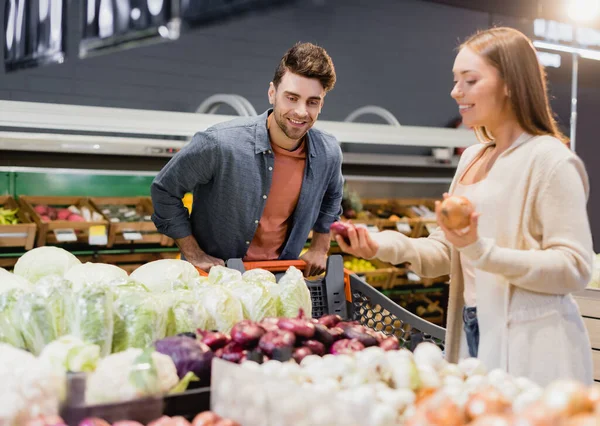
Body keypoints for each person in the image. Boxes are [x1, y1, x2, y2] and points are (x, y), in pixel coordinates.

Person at [336, 27, 593, 386]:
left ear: (510, 84)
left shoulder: (550, 161)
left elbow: (573, 268)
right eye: (456, 80)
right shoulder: (472, 156)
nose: (455, 91)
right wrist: (382, 245)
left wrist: (482, 251)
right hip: (471, 328)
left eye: (470, 80)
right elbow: (447, 248)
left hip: (535, 343)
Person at [151, 42, 343, 277]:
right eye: (291, 98)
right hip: (216, 282)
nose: (302, 111)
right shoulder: (220, 143)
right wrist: (194, 254)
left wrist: (320, 247)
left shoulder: (328, 153)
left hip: (279, 279)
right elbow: (164, 190)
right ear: (272, 93)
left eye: (312, 102)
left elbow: (333, 197)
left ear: (321, 104)